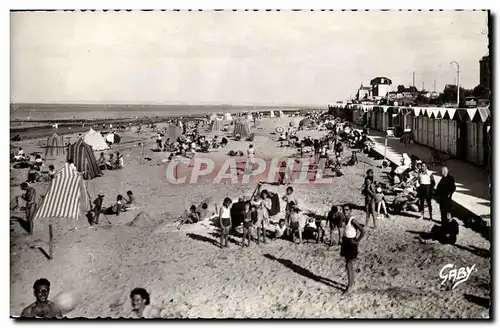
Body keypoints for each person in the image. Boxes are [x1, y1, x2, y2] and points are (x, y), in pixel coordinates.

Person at [340, 204, 365, 295]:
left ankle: (350, 286)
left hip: (351, 242)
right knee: (347, 264)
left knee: (349, 264)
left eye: (347, 210)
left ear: (350, 211)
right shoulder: (344, 219)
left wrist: (357, 241)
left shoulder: (353, 220)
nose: (345, 212)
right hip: (345, 241)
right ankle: (352, 283)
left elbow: (363, 230)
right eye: (344, 210)